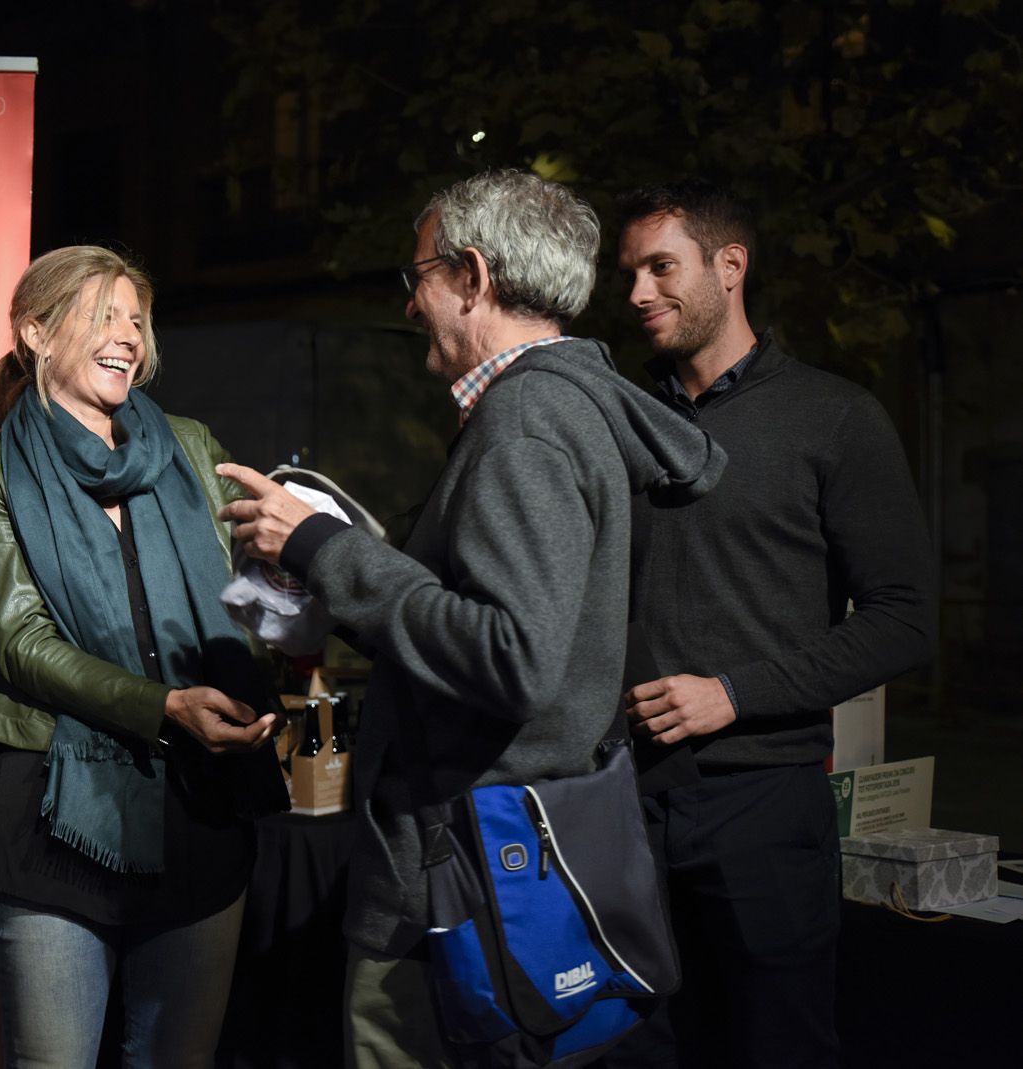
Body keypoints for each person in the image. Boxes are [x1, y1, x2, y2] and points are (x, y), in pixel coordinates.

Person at [219, 168, 724, 1066]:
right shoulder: (552, 408)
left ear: (474, 276)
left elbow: (514, 657)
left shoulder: (526, 419)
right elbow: (494, 626)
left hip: (465, 882)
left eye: (418, 277)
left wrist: (324, 548)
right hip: (499, 862)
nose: (411, 304)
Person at [606, 180, 936, 1068]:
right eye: (629, 270)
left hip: (763, 803)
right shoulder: (617, 417)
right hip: (620, 800)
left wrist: (734, 693)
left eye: (659, 267)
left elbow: (906, 620)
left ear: (731, 266)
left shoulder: (835, 416)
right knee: (632, 1050)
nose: (637, 292)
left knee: (774, 1046)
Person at [0, 245, 287, 1067]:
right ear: (35, 330)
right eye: (103, 314)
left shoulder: (192, 446)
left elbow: (248, 611)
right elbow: (22, 646)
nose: (127, 335)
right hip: (60, 823)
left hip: (202, 811)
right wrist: (162, 707)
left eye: (136, 319)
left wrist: (288, 578)